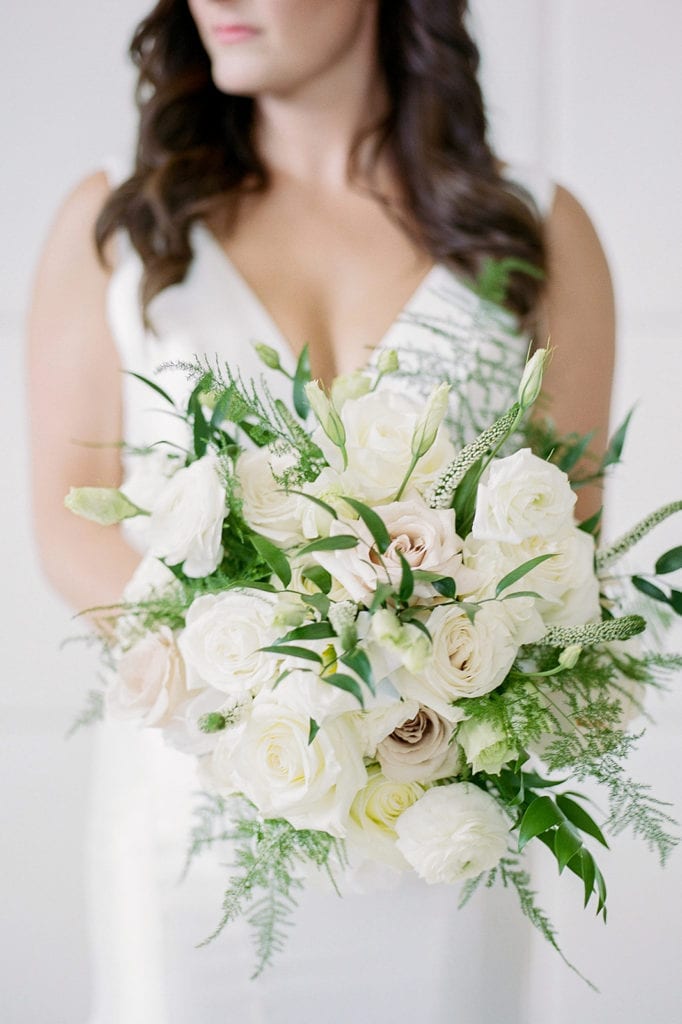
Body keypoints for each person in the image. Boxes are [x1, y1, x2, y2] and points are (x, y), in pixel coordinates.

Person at [27, 1, 615, 1021]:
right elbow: (64, 521)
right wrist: (255, 677)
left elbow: (570, 539)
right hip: (198, 829)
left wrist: (417, 671)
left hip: (436, 821)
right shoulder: (121, 230)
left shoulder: (532, 230)